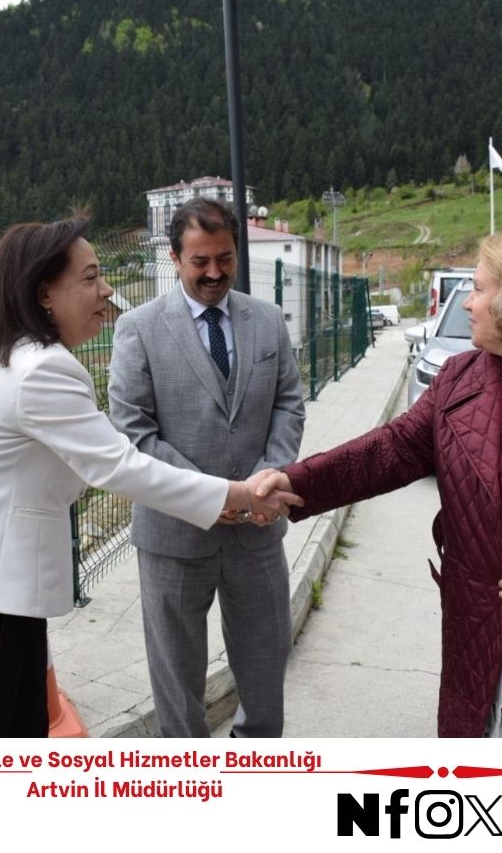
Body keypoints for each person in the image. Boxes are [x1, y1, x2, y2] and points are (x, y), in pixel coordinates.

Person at [0, 216, 299, 737]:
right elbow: (119, 464)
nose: (106, 290)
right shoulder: (41, 370)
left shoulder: (16, 356)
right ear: (44, 293)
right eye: (89, 278)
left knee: (17, 732)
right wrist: (238, 495)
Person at [258, 233, 502, 737]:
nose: (466, 303)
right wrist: (295, 481)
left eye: (478, 289)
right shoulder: (461, 378)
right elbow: (392, 450)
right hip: (475, 630)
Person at [108, 197, 306, 737]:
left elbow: (289, 405)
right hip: (174, 536)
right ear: (174, 258)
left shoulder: (267, 321)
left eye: (225, 258)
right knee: (177, 688)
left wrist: (267, 478)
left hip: (259, 532)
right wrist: (212, 495)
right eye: (200, 261)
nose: (214, 272)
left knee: (266, 670)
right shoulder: (138, 328)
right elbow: (134, 431)